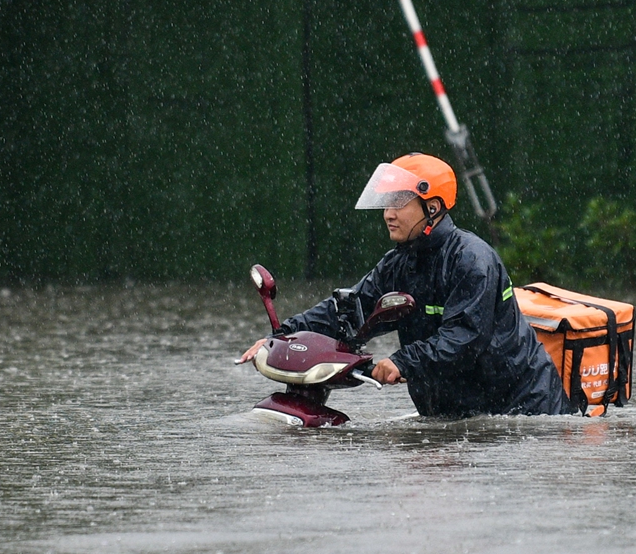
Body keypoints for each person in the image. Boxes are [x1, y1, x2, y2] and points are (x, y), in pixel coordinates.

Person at [238, 153, 572, 418]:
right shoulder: (399, 262)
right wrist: (282, 336)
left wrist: (403, 362)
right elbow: (351, 311)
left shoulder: (473, 260)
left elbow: (465, 339)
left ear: (433, 207)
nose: (387, 214)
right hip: (455, 413)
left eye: (398, 202)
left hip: (524, 412)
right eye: (386, 203)